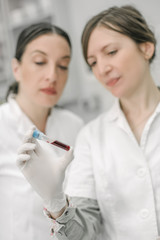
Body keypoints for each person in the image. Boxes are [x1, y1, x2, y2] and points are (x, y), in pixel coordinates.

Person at [16, 5, 160, 240]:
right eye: (92, 62)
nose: (102, 69)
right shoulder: (91, 136)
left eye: (111, 52)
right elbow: (83, 233)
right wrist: (57, 203)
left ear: (146, 47)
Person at [0, 22, 84, 240]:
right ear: (16, 68)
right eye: (40, 62)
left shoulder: (75, 126)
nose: (52, 75)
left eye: (63, 65)